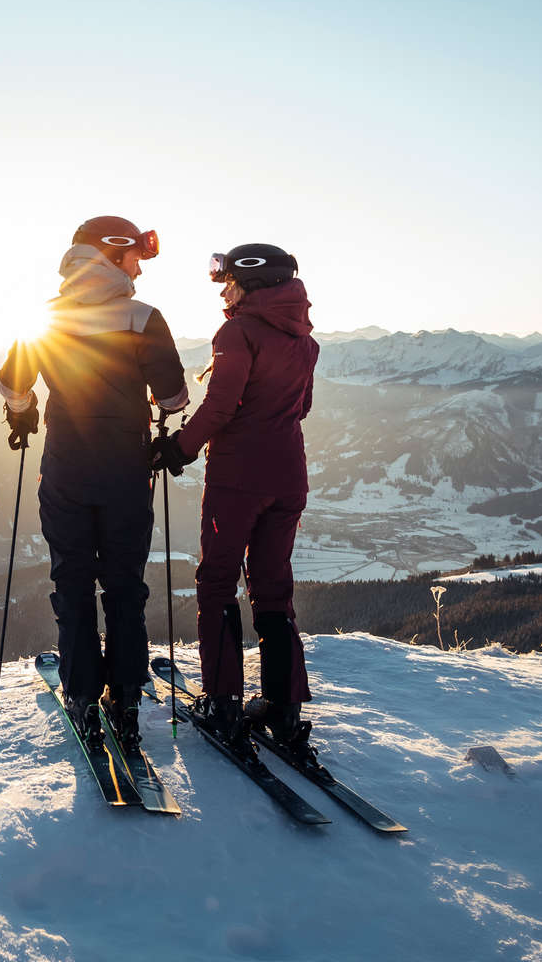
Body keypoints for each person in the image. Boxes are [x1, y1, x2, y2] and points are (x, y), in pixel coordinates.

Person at [0, 215, 189, 754]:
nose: (139, 270)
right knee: (125, 585)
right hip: (127, 473)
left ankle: (83, 694)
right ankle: (126, 695)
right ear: (112, 254)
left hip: (65, 471)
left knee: (73, 583)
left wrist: (24, 413)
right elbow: (174, 396)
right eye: (135, 259)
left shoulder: (46, 317)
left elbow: (13, 385)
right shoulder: (143, 317)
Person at [150, 243, 320, 757]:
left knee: (218, 582)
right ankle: (284, 709)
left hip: (237, 480)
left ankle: (223, 702)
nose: (224, 290)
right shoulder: (305, 339)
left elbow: (220, 406)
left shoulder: (238, 332)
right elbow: (303, 406)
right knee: (273, 590)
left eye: (228, 281)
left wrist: (177, 448)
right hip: (289, 478)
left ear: (251, 281)